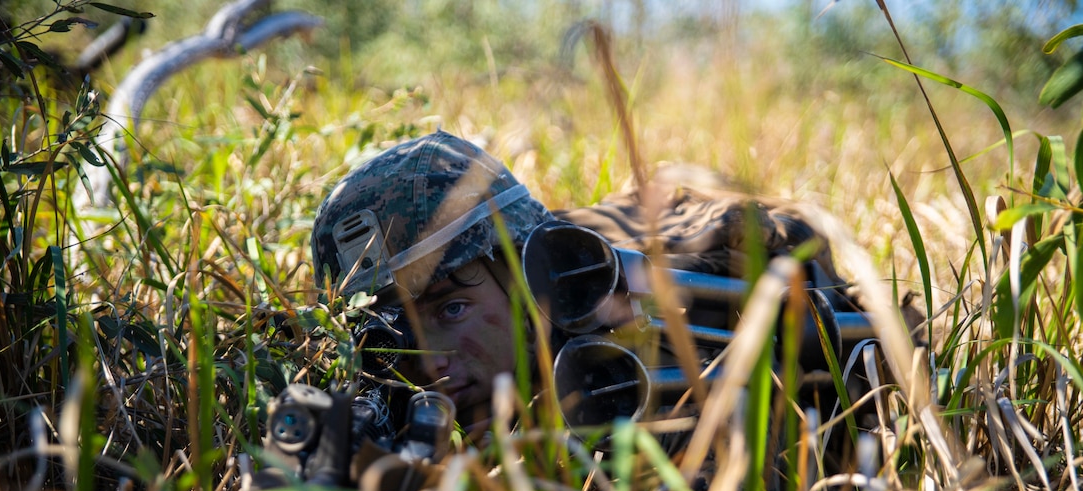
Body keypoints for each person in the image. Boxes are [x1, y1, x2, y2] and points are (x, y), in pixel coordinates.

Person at [310, 130, 862, 444]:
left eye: (452, 309)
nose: (429, 364)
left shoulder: (654, 361)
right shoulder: (380, 395)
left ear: (531, 292)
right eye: (391, 333)